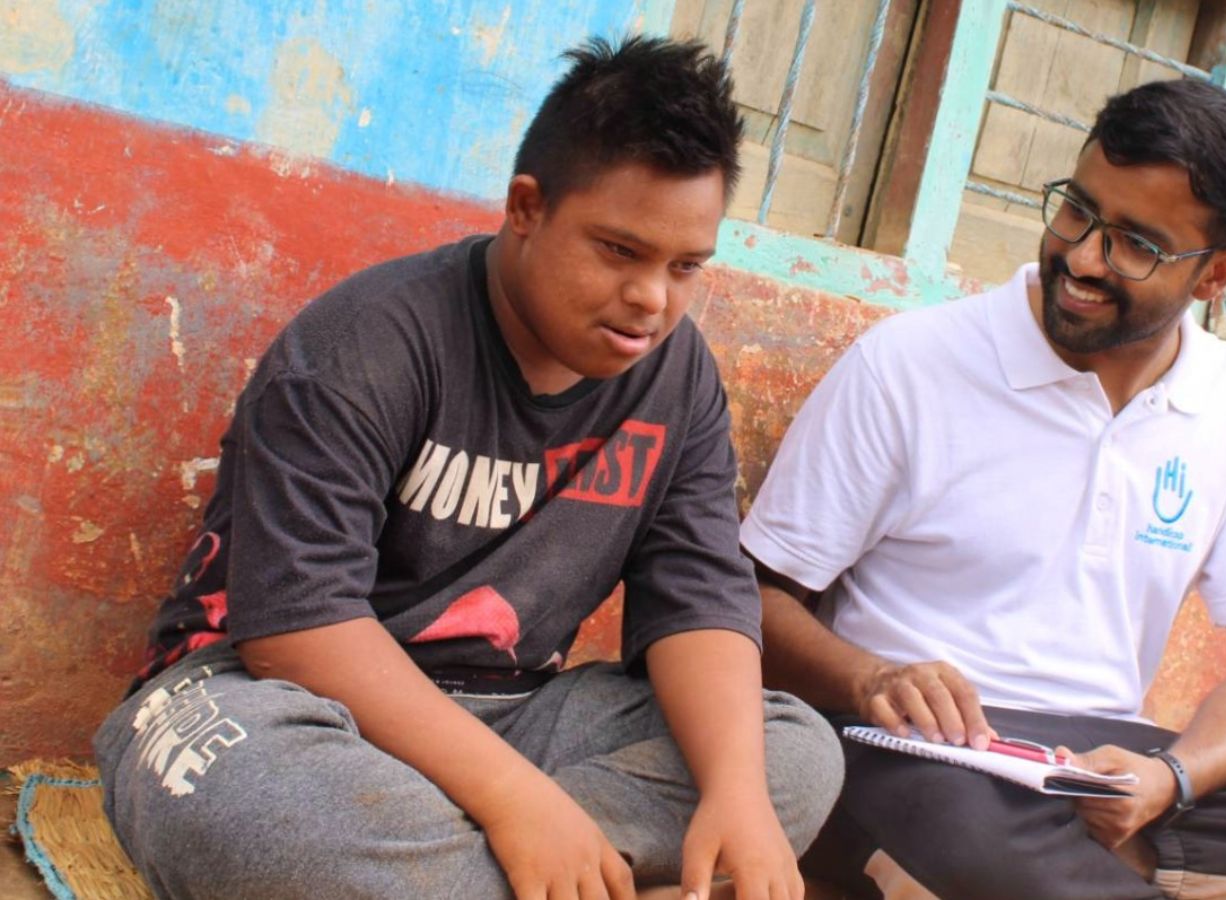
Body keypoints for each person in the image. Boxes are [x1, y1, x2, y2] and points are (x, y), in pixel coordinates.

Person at [94, 35, 842, 900]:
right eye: (618, 251)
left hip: (514, 709)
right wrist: (514, 800)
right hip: (267, 699)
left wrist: (737, 798)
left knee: (790, 751)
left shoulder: (678, 379)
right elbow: (296, 629)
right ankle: (541, 863)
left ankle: (482, 870)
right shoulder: (367, 343)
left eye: (685, 268)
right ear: (526, 208)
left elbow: (701, 602)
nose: (652, 300)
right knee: (271, 818)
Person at [741, 78, 1226, 899]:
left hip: (1106, 772)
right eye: (1077, 210)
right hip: (918, 754)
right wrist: (870, 679)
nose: (1080, 257)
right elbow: (750, 597)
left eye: (1135, 245)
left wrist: (1170, 778)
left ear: (1217, 275)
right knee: (956, 824)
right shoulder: (911, 363)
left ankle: (1111, 867)